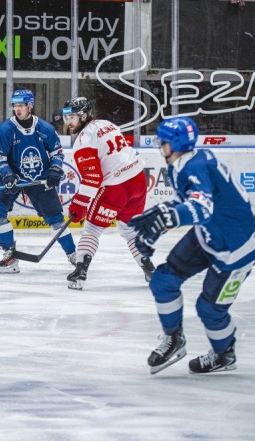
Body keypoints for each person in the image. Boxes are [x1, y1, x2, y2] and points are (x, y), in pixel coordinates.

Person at [129, 117, 254, 374]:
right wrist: (161, 222)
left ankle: (224, 354)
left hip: (236, 251)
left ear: (172, 144)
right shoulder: (185, 162)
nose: (158, 144)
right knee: (163, 281)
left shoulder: (192, 167)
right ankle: (174, 339)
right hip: (208, 235)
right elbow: (190, 205)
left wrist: (169, 216)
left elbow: (202, 208)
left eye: (161, 140)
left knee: (209, 309)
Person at [62, 97, 152, 290]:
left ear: (84, 116)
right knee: (129, 230)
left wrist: (79, 204)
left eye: (72, 117)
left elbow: (93, 177)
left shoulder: (84, 139)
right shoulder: (107, 124)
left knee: (92, 229)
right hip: (138, 181)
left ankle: (80, 273)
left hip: (116, 187)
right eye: (66, 117)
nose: (68, 122)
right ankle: (150, 269)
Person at [0, 89, 76, 274]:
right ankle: (9, 255)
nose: (18, 109)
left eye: (21, 105)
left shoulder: (45, 128)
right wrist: (6, 174)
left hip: (39, 178)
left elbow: (57, 153)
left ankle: (74, 255)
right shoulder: (5, 129)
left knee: (55, 219)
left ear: (30, 106)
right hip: (13, 177)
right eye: (15, 105)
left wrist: (55, 169)